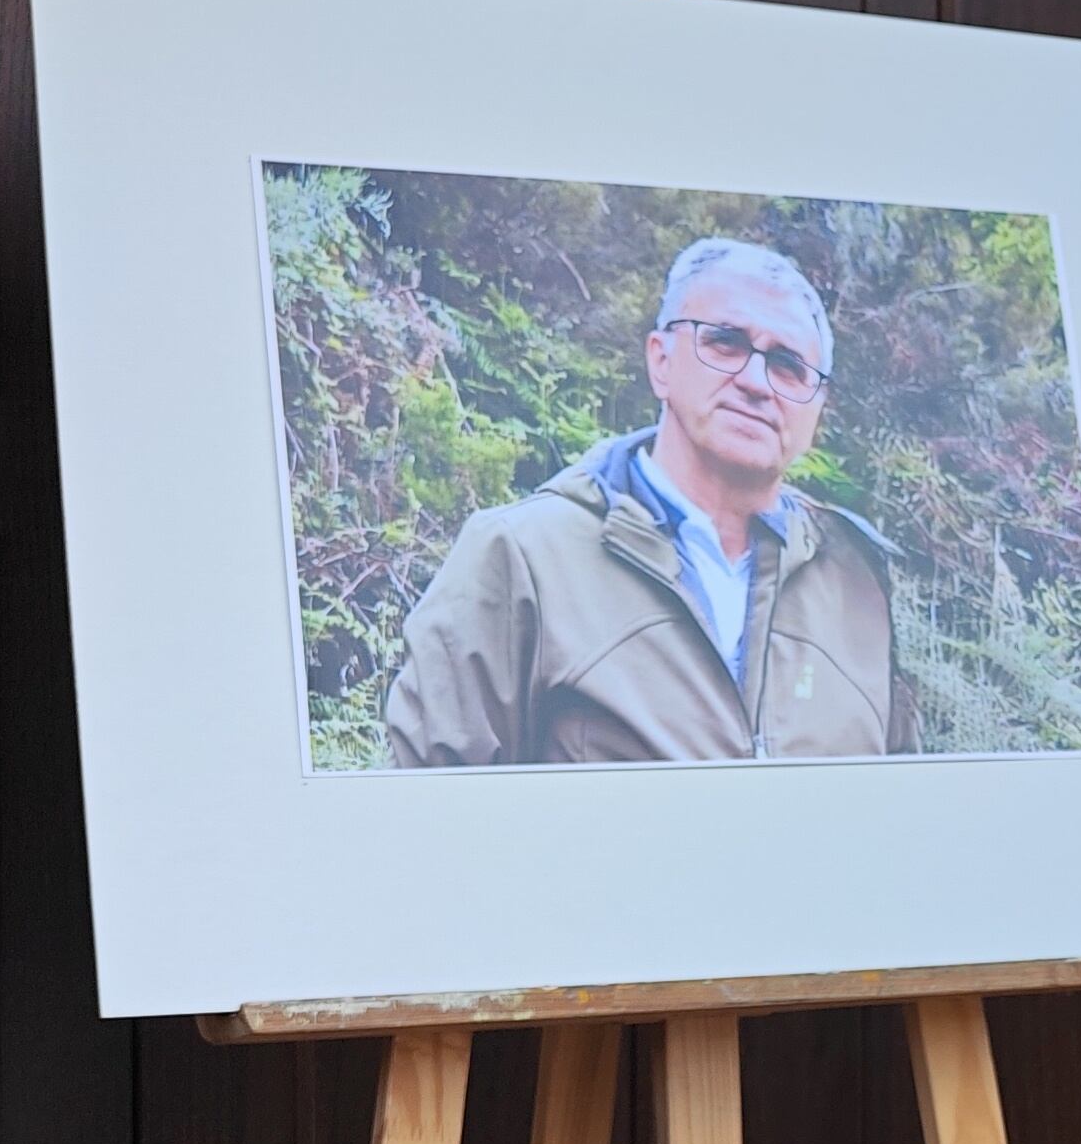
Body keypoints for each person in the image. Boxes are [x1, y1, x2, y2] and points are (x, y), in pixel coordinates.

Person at [381, 234, 910, 764]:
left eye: (788, 365)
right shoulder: (523, 556)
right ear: (661, 361)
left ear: (816, 409)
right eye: (726, 342)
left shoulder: (859, 580)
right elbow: (429, 808)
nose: (756, 381)